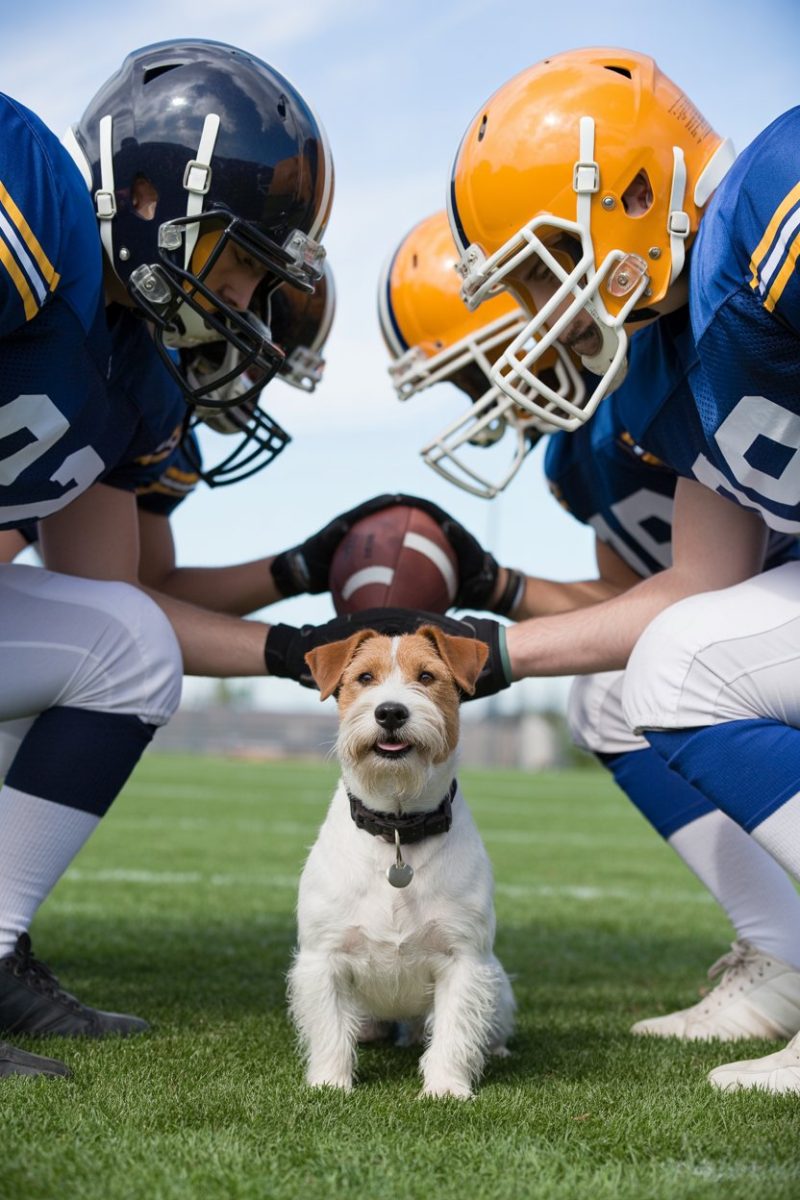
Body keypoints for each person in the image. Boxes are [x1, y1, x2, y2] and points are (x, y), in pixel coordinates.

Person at [439, 46, 800, 1090]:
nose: (539, 308)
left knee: (683, 666)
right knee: (632, 680)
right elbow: (697, 583)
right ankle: (783, 959)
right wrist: (486, 652)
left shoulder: (770, 199)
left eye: (543, 265)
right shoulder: (664, 363)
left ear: (634, 193)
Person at [0, 36, 338, 1077]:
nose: (244, 300)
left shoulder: (135, 375)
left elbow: (116, 598)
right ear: (149, 197)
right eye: (244, 259)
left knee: (124, 646)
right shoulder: (31, 195)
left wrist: (308, 648)